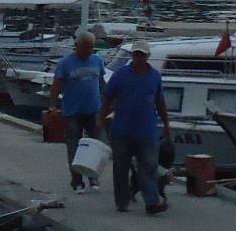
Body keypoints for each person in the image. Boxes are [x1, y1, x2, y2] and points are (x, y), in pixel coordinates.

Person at [100, 40, 172, 214]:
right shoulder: (120, 74)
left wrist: (166, 124)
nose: (138, 58)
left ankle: (151, 203)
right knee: (121, 168)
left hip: (147, 130)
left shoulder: (155, 76)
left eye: (142, 55)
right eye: (136, 54)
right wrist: (100, 119)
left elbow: (160, 102)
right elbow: (107, 97)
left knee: (149, 166)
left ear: (148, 56)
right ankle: (122, 202)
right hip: (122, 129)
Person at [48, 29, 106, 192]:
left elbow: (101, 83)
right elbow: (56, 86)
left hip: (94, 110)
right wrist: (52, 106)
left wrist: (108, 103)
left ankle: (93, 177)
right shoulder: (65, 63)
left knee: (96, 146)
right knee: (74, 147)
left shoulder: (97, 61)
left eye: (91, 47)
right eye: (85, 47)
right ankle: (77, 181)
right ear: (77, 46)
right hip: (73, 112)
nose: (88, 50)